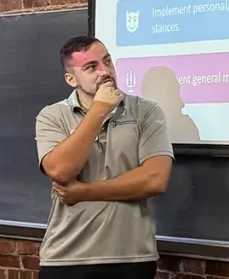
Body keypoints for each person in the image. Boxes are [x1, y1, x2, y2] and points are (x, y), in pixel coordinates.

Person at [34, 35, 173, 279]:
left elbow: (155, 179)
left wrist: (84, 192)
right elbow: (61, 171)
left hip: (132, 257)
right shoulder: (52, 116)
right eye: (91, 67)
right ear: (71, 79)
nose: (105, 71)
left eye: (107, 61)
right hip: (66, 258)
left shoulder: (146, 111)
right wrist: (99, 109)